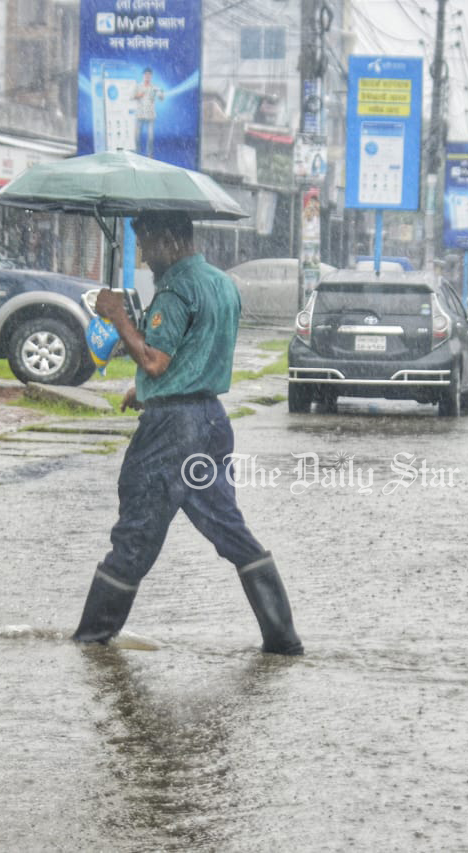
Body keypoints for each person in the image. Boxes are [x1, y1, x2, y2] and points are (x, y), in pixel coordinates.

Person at [73, 211, 304, 656]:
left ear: (169, 239)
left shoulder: (176, 288)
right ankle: (283, 638)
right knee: (229, 529)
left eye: (147, 244)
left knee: (135, 532)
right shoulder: (222, 284)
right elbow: (195, 357)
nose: (144, 255)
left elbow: (157, 361)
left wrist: (119, 316)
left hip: (172, 432)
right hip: (212, 422)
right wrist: (146, 392)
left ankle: (91, 641)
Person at [133, 68, 165, 157]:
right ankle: (137, 153)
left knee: (150, 137)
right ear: (143, 76)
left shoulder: (154, 87)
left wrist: (161, 93)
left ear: (151, 76)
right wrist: (139, 95)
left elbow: (161, 98)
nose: (147, 76)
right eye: (146, 74)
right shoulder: (138, 86)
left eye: (149, 75)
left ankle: (149, 155)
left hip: (150, 115)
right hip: (140, 114)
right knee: (137, 136)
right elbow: (132, 96)